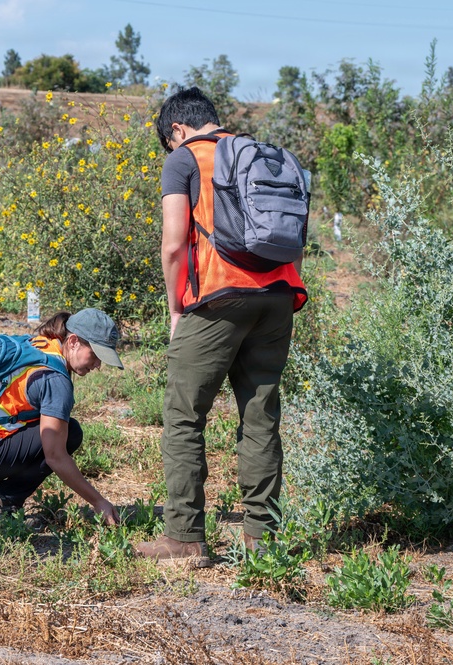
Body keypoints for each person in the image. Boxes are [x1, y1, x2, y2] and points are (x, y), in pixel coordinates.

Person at [136, 87, 308, 567]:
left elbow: (174, 245)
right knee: (260, 417)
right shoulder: (259, 154)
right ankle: (263, 541)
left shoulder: (185, 158)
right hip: (278, 295)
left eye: (169, 142)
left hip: (218, 295)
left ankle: (185, 537)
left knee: (184, 415)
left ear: (177, 130)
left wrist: (176, 308)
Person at [0, 309, 123, 527]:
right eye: (96, 355)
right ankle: (0, 504)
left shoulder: (36, 344)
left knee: (38, 425)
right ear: (73, 341)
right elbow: (55, 457)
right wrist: (98, 501)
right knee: (69, 434)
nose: (98, 365)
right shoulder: (55, 380)